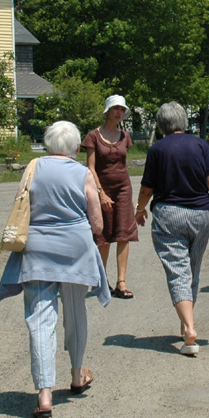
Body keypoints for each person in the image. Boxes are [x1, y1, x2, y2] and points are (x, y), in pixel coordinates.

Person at [0, 121, 111, 418]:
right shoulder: (83, 173)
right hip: (75, 252)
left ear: (47, 144)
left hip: (37, 252)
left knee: (40, 320)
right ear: (76, 147)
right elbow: (97, 225)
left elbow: (20, 204)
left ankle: (44, 395)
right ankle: (77, 375)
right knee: (75, 311)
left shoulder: (33, 167)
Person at [135, 102, 209, 355]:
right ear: (183, 121)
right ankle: (185, 323)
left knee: (178, 271)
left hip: (169, 215)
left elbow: (147, 188)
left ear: (161, 124)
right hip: (202, 214)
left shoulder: (156, 150)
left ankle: (190, 329)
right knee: (192, 269)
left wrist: (140, 209)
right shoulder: (200, 145)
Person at [82, 94, 139, 299]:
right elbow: (90, 168)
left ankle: (121, 282)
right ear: (107, 110)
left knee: (124, 233)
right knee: (103, 234)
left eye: (122, 110)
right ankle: (100, 279)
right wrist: (100, 193)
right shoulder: (93, 136)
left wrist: (130, 197)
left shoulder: (125, 136)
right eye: (116, 108)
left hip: (123, 188)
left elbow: (123, 165)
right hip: (101, 188)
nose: (119, 112)